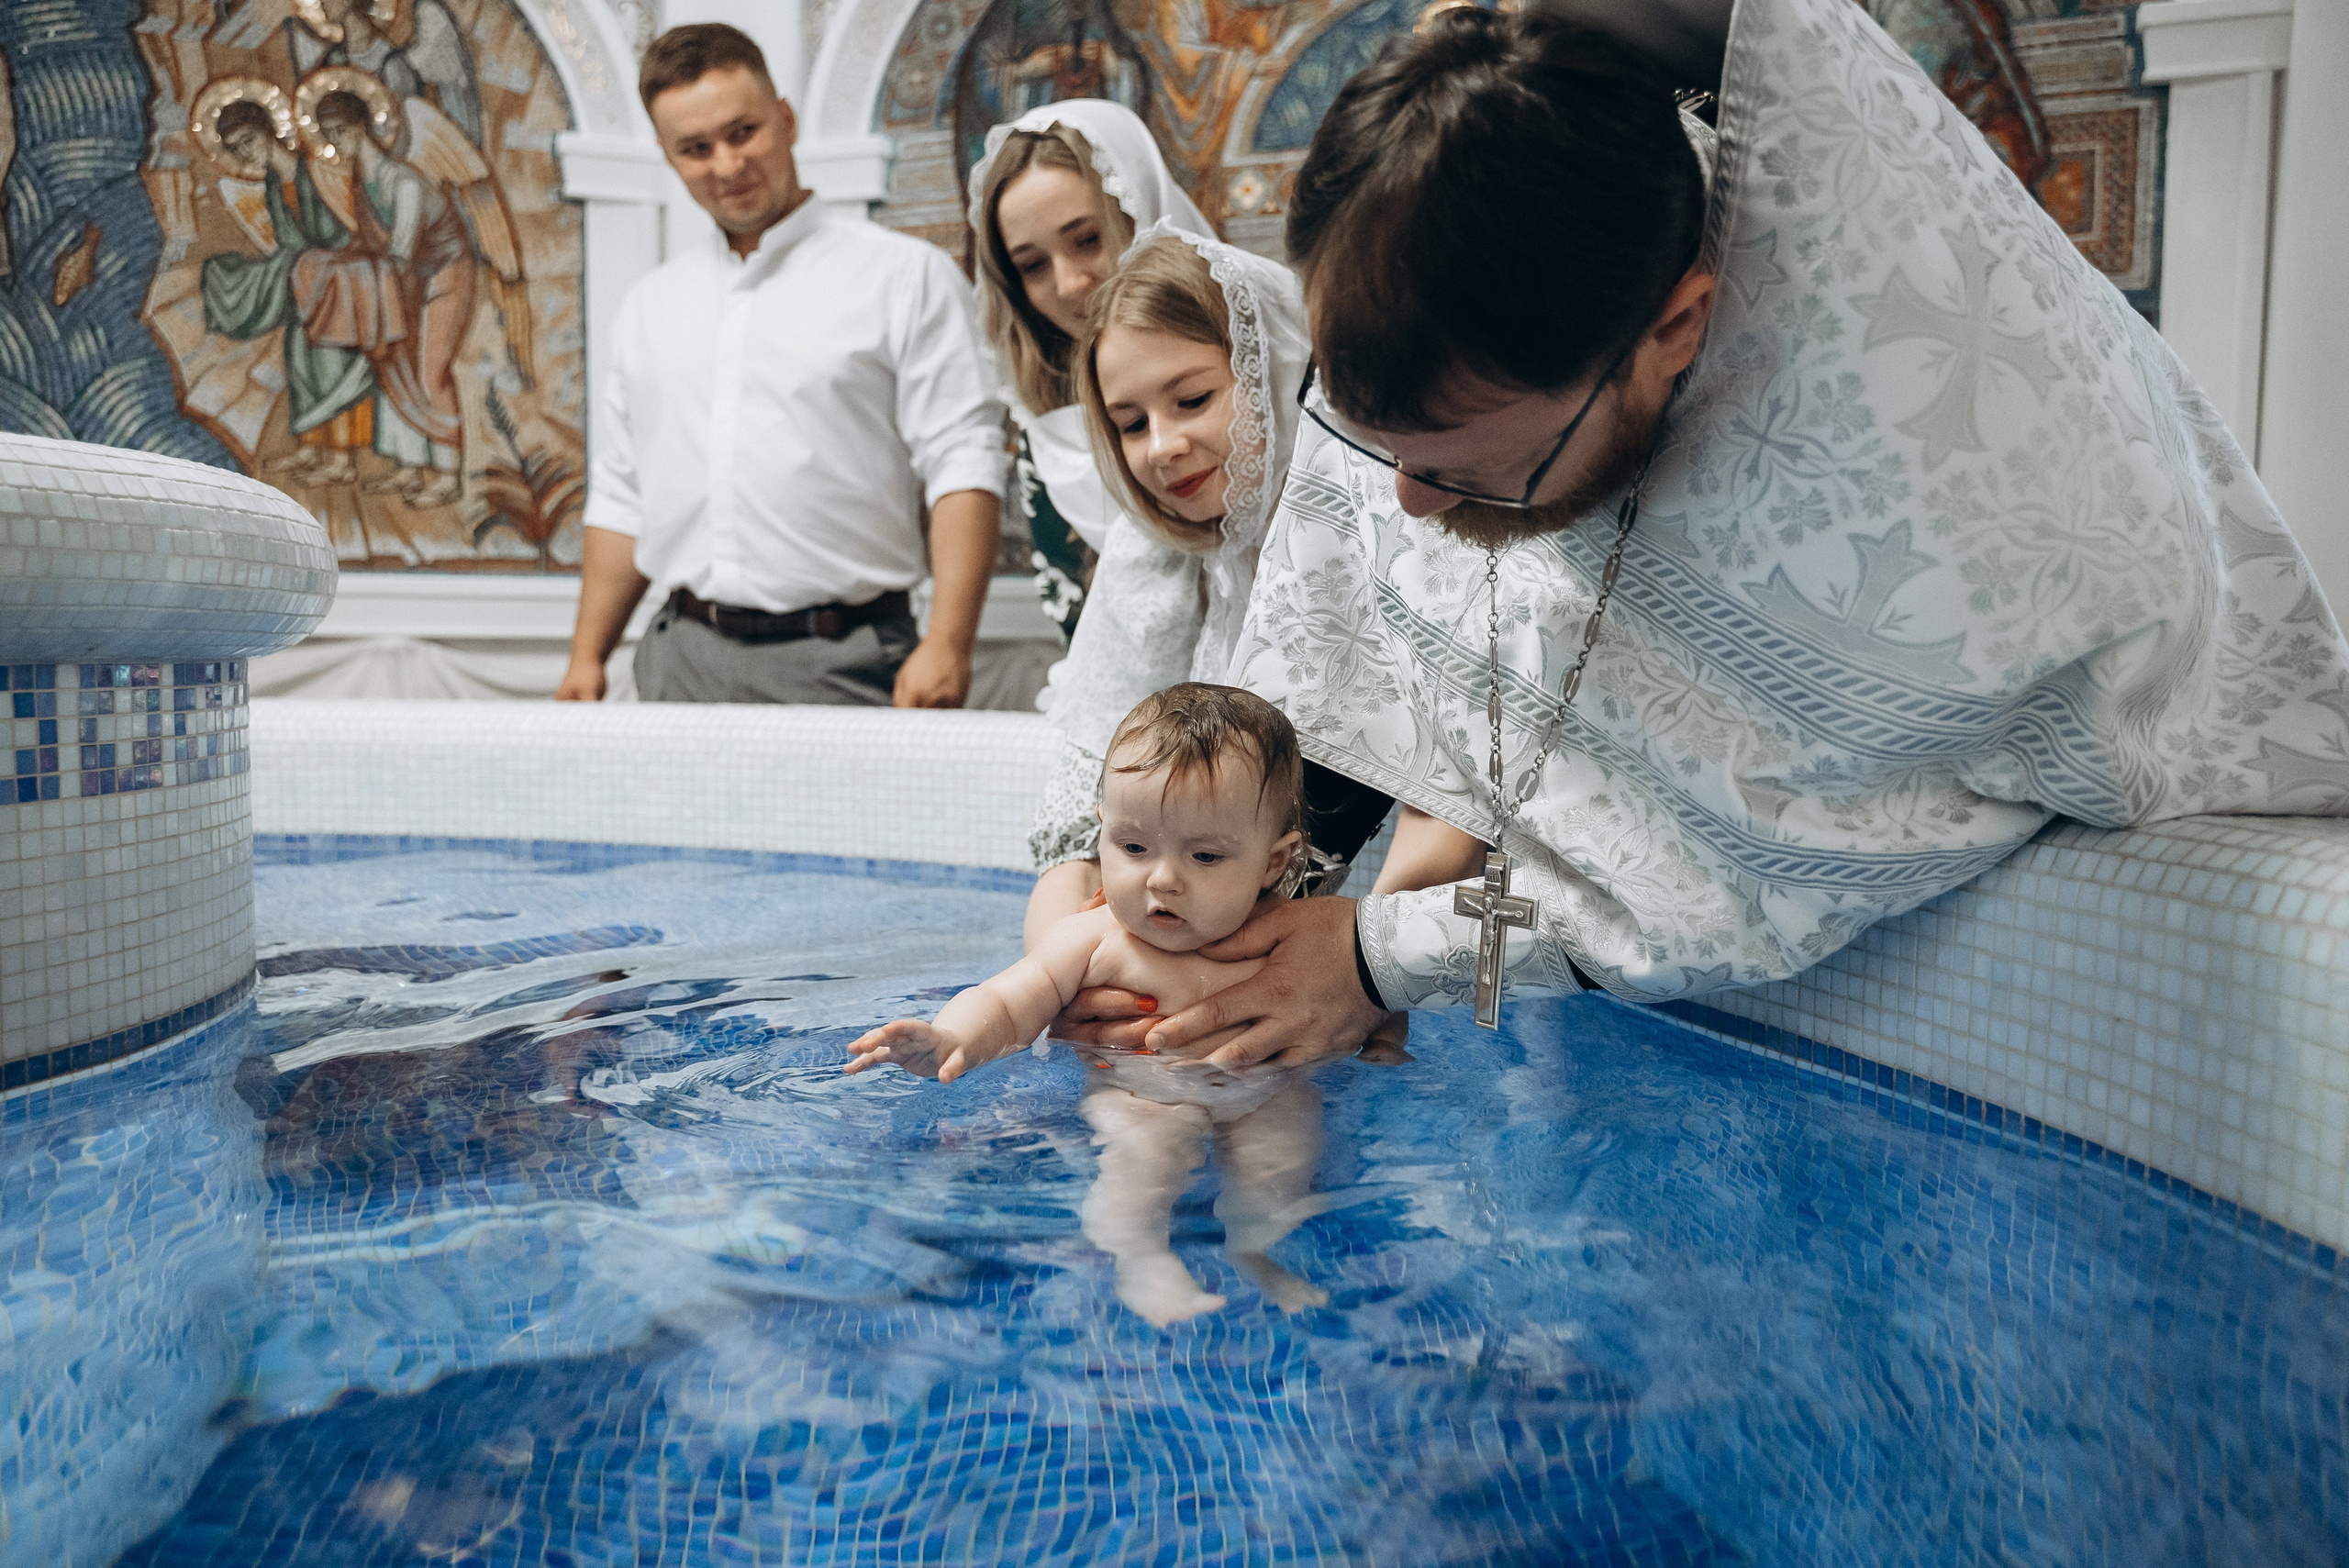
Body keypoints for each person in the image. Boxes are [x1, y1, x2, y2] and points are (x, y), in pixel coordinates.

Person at [1081, 1, 2349, 1068]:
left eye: (1463, 466)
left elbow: (1766, 875)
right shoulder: (1507, 250)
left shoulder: (1944, 515)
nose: (1408, 504)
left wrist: (1385, 951)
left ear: (1676, 332)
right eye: (1378, 446)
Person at [845, 684, 1332, 1327]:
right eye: (1134, 848)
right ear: (1101, 831)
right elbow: (1008, 999)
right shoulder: (1096, 937)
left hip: (1265, 1089)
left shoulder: (1295, 942)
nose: (1162, 877)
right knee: (1148, 1150)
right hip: (1142, 1092)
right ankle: (1138, 1254)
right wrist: (951, 1037)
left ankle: (1257, 1249)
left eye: (1206, 855)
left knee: (1282, 1159)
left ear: (1275, 862)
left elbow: (1342, 1009)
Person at [559, 24, 1006, 707]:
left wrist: (948, 643)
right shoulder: (651, 306)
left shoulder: (903, 276)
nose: (727, 164)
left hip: (846, 659)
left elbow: (963, 461)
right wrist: (586, 657)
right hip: (677, 661)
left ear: (786, 119)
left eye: (744, 132)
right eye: (696, 148)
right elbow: (622, 495)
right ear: (668, 156)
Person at [968, 100, 1208, 655]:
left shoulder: (1248, 371)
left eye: (1087, 239)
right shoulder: (1046, 433)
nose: (1072, 284)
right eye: (1032, 265)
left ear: (1140, 210)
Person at [295, 88, 475, 507]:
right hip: (405, 279)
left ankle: (448, 473)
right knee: (394, 364)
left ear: (361, 128)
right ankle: (411, 466)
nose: (336, 143)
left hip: (444, 273)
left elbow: (402, 250)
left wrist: (356, 269)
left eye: (340, 132)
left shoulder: (403, 180)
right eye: (328, 135)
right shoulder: (363, 183)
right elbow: (370, 243)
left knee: (431, 371)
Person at [199, 97, 377, 487]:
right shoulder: (273, 183)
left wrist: (306, 261)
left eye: (248, 140)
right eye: (236, 148)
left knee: (332, 360)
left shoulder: (315, 169)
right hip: (313, 280)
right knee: (298, 353)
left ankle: (342, 457)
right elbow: (288, 240)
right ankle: (313, 446)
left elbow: (343, 229)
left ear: (267, 130)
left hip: (346, 279)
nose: (246, 151)